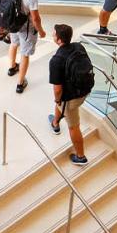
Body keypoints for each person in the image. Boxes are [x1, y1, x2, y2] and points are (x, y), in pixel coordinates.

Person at [47, 24, 93, 166]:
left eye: (54, 34)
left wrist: (57, 99)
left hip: (70, 98)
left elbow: (58, 90)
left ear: (59, 40)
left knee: (73, 126)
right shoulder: (79, 47)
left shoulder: (56, 60)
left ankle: (81, 156)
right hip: (85, 90)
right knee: (61, 104)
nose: (52, 35)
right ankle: (55, 122)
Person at [5, 0, 46, 93]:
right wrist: (41, 31)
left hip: (12, 22)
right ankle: (20, 83)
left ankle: (12, 67)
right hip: (25, 27)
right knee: (25, 54)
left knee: (13, 43)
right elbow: (35, 18)